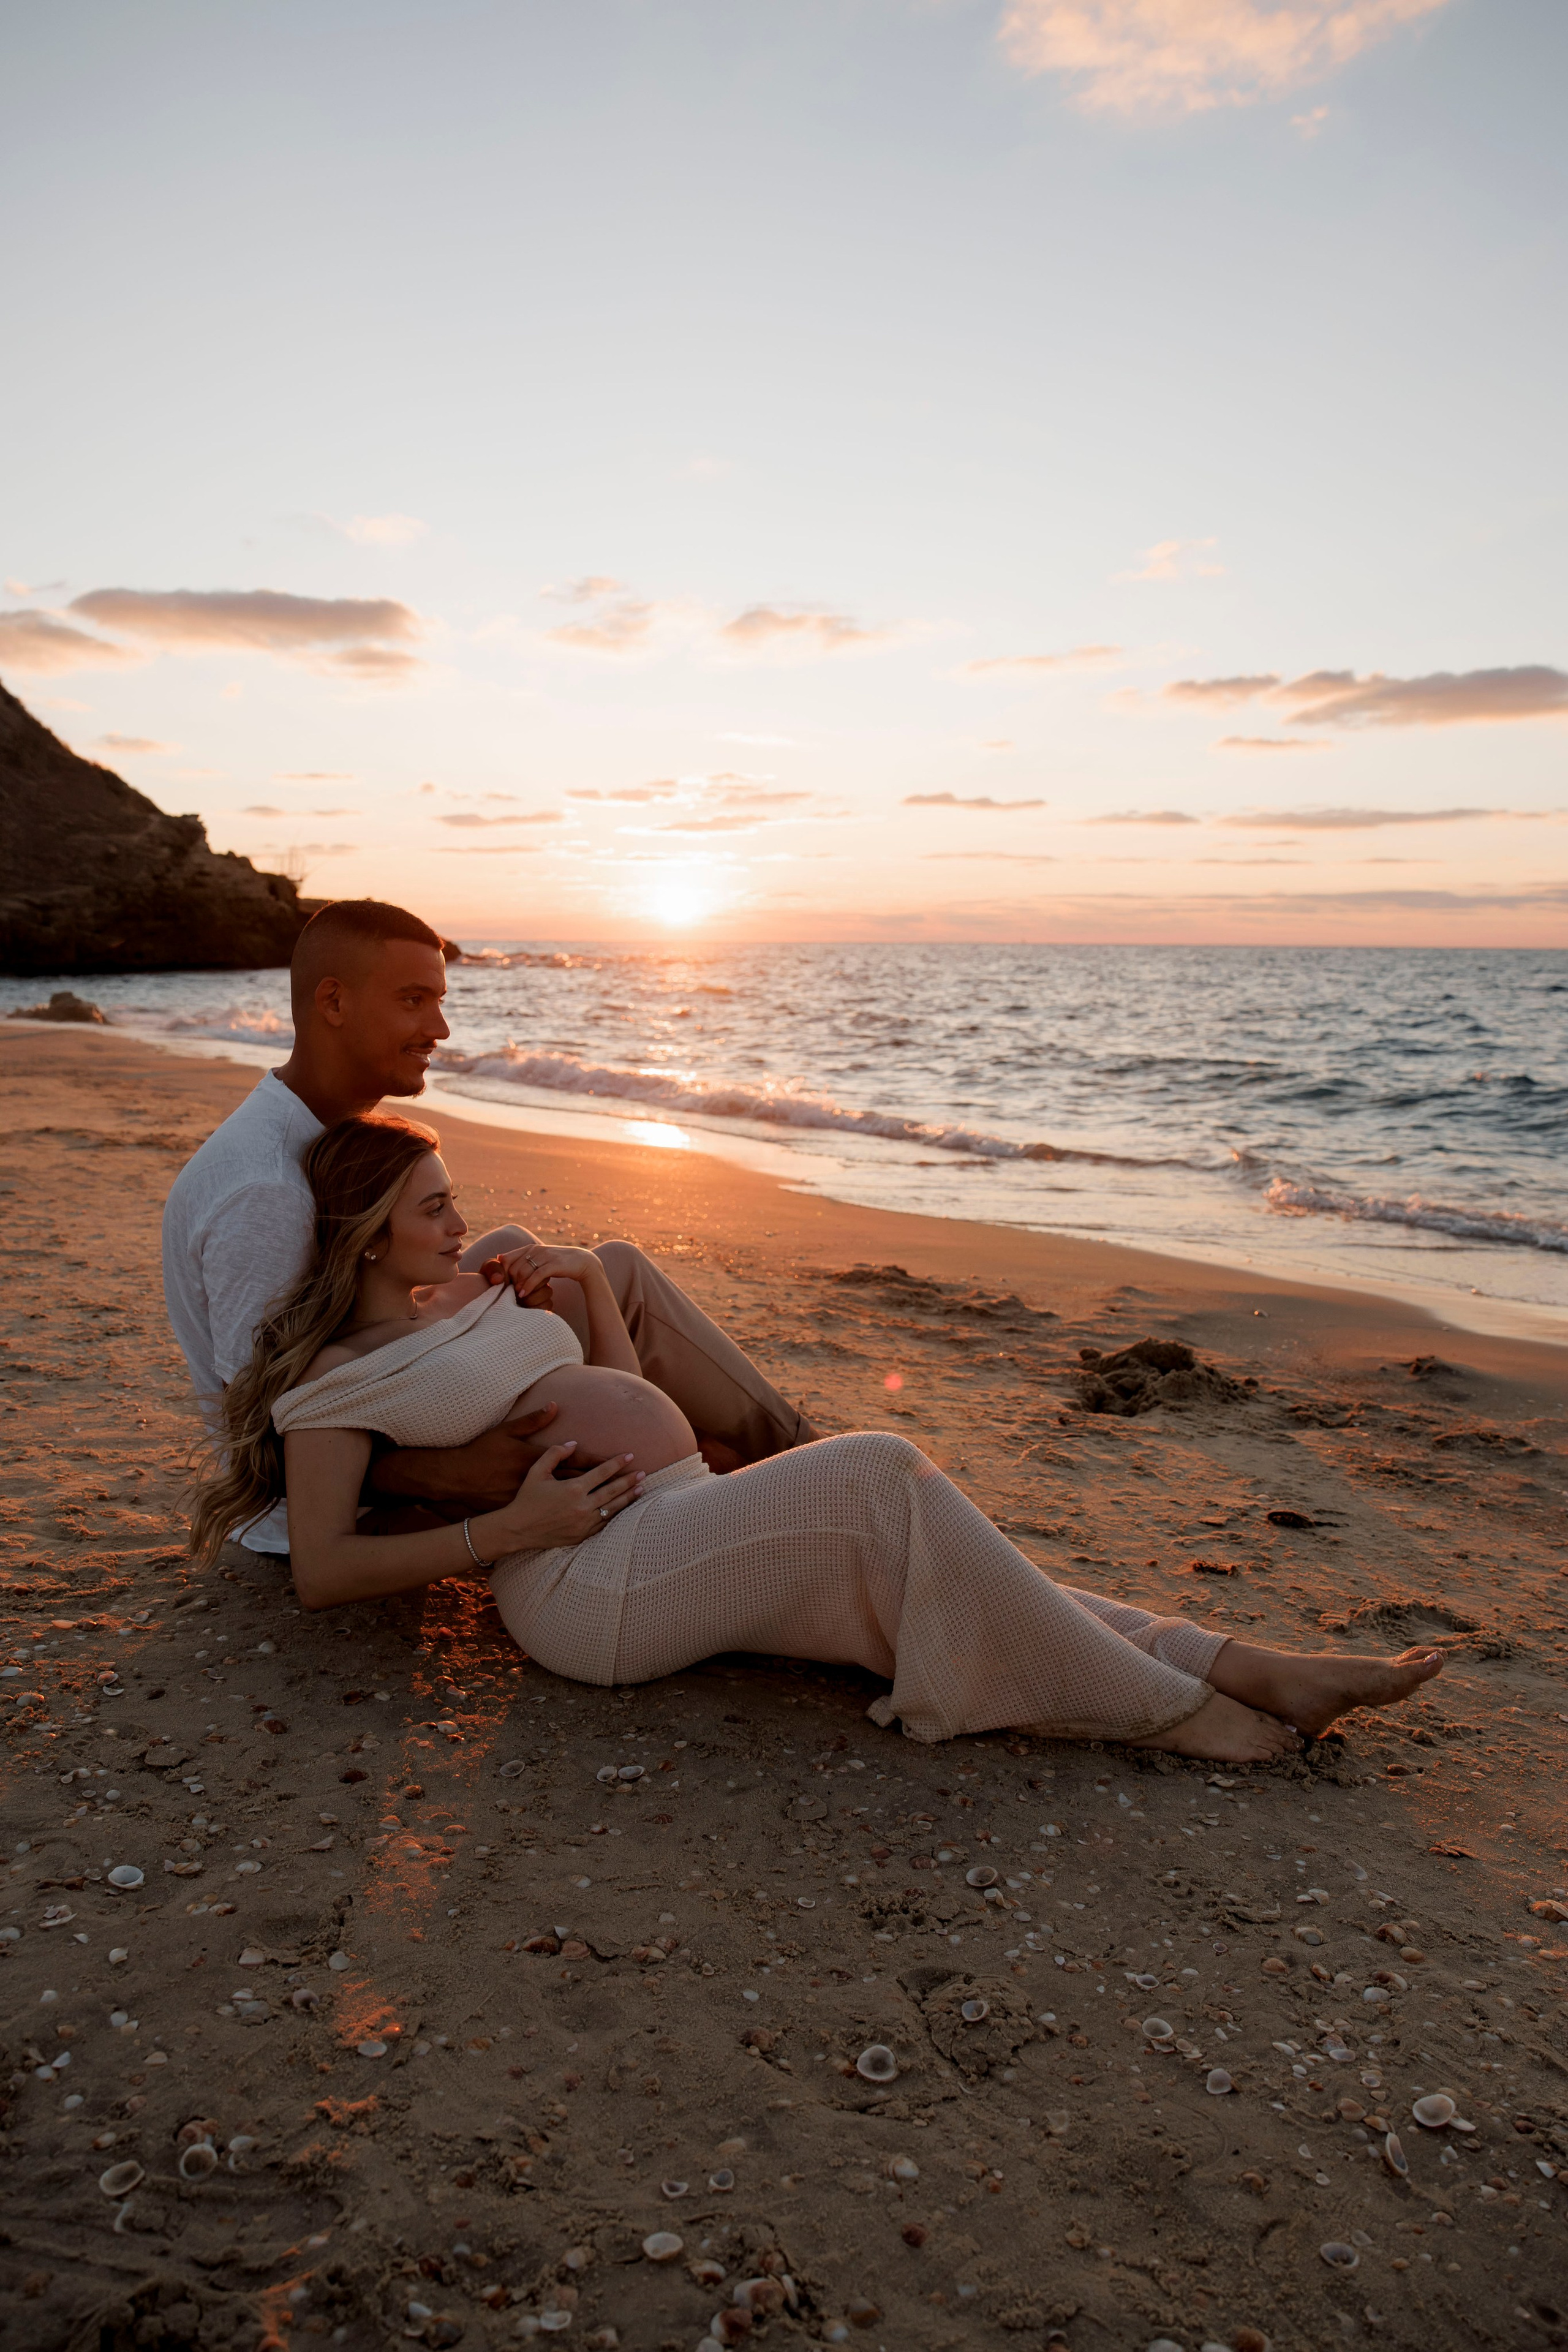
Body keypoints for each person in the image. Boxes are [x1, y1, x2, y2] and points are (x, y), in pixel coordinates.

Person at [190, 1113, 1446, 1763]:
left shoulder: (475, 1291)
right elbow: (321, 1569)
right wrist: (505, 1529)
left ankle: (1237, 1665)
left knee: (933, 1554)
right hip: (589, 1588)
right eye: (432, 1205)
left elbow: (632, 1404)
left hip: (669, 1510)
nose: (460, 1217)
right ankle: (1165, 1711)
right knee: (884, 1472)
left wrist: (580, 1286)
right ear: (365, 1233)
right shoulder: (336, 1382)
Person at [161, 899, 818, 1556]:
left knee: (539, 1258)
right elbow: (257, 1419)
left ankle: (751, 1453)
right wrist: (442, 1473)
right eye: (414, 1001)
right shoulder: (265, 1190)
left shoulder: (319, 1130)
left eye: (440, 1002)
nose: (440, 1029)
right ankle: (802, 1461)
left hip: (383, 1410)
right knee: (618, 1281)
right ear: (333, 1002)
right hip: (341, 1507)